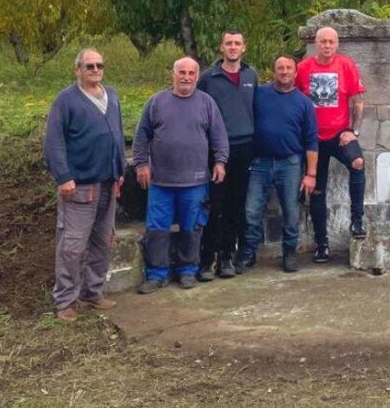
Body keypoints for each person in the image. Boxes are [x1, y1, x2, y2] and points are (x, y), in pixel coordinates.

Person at [133, 57, 229, 293]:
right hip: (161, 181)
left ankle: (188, 270)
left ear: (197, 76)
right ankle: (156, 274)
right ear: (173, 74)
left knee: (191, 227)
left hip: (195, 181)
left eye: (191, 73)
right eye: (182, 72)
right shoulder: (157, 102)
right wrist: (141, 165)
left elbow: (219, 136)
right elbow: (141, 136)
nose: (186, 77)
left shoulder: (206, 103)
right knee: (157, 229)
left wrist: (220, 162)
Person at [43, 48, 125, 323]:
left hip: (108, 182)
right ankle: (65, 300)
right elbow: (54, 141)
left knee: (103, 240)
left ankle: (92, 292)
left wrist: (120, 171)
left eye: (99, 65)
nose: (95, 69)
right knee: (73, 244)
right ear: (77, 69)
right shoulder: (66, 101)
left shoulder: (111, 96)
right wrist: (63, 176)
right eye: (88, 66)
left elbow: (118, 133)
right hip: (80, 185)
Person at [240, 56, 318, 273]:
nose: (284, 72)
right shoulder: (259, 94)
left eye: (288, 68)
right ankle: (249, 253)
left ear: (295, 72)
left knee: (291, 213)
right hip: (260, 163)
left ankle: (290, 254)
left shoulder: (304, 103)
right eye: (280, 68)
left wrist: (310, 174)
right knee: (251, 211)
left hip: (290, 164)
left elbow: (311, 140)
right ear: (274, 71)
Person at [296, 27, 367, 263]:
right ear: (316, 43)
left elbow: (358, 101)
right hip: (313, 138)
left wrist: (353, 131)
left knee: (357, 162)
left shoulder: (346, 65)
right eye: (323, 41)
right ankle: (321, 243)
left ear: (337, 44)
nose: (327, 45)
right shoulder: (303, 68)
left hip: (339, 135)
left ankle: (357, 220)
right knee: (317, 188)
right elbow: (294, 101)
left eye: (331, 42)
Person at [196, 31, 258, 280]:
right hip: (217, 150)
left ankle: (226, 257)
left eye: (237, 43)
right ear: (221, 47)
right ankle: (207, 258)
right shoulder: (208, 78)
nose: (233, 47)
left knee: (235, 206)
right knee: (215, 205)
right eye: (228, 43)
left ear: (244, 48)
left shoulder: (251, 75)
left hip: (245, 149)